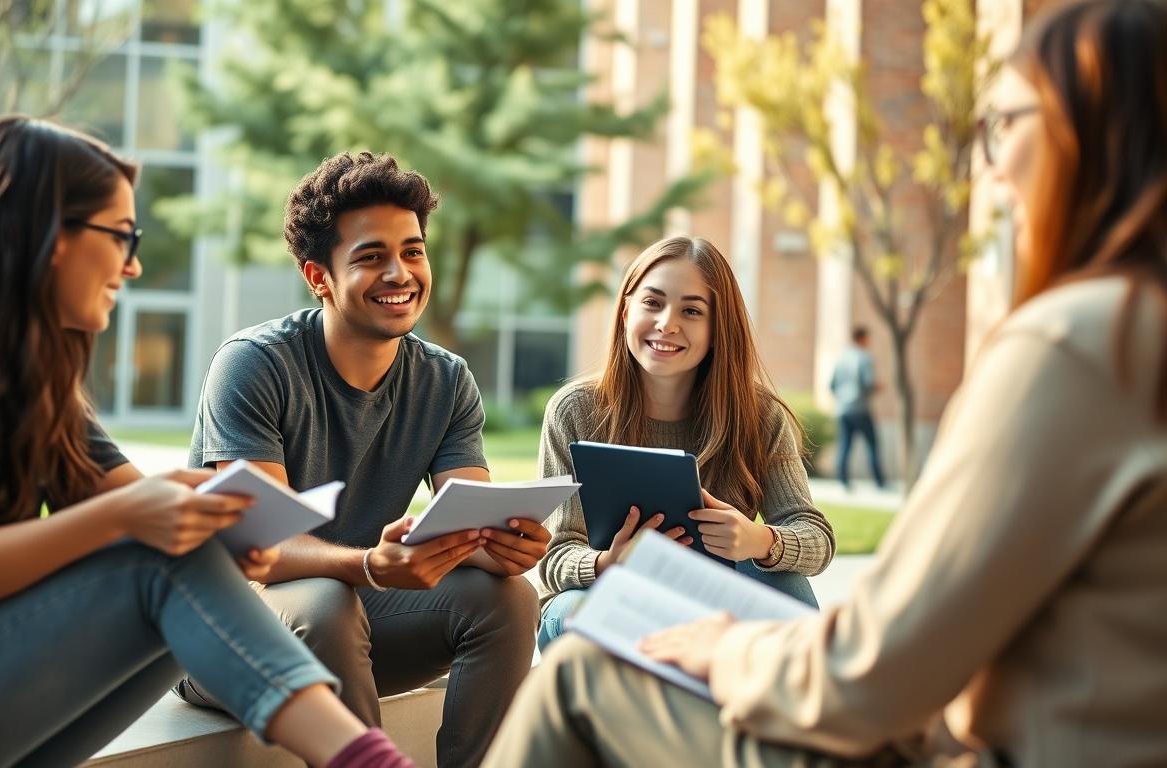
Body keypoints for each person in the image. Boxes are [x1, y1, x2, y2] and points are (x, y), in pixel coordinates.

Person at [482, 0, 1167, 765]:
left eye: (1005, 123)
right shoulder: (1123, 336)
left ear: (1090, 135)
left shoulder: (1075, 346)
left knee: (577, 677)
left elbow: (875, 662)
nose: (994, 164)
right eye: (651, 301)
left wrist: (732, 634)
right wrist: (612, 569)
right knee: (581, 634)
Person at [0, 117, 414, 768]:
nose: (132, 265)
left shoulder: (27, 372)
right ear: (48, 233)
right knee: (158, 557)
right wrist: (130, 517)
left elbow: (138, 507)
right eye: (121, 236)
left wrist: (214, 526)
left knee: (178, 549)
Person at [177, 151, 543, 768]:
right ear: (318, 276)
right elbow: (261, 549)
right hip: (224, 637)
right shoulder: (254, 364)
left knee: (508, 598)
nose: (401, 273)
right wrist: (371, 564)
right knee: (325, 600)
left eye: (413, 251)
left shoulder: (446, 380)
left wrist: (505, 544)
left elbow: (467, 525)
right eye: (372, 257)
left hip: (354, 631)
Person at [535, 236, 835, 650]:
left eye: (691, 311)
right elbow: (554, 556)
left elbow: (816, 536)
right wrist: (607, 562)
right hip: (603, 598)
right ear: (625, 310)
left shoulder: (759, 414)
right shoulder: (575, 410)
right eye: (652, 303)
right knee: (578, 609)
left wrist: (760, 541)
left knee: (783, 581)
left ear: (717, 329)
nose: (667, 323)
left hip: (709, 599)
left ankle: (790, 687)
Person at [830, 325, 885, 489]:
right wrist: (878, 387)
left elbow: (832, 385)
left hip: (843, 409)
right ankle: (879, 481)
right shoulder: (863, 358)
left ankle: (842, 480)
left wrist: (842, 398)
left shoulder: (841, 358)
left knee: (845, 445)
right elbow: (867, 383)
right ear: (862, 338)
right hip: (860, 409)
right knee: (872, 444)